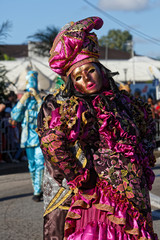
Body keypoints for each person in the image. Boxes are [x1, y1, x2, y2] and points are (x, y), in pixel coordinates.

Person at [37, 17, 158, 239]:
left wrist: (144, 154)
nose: (87, 80)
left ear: (101, 70)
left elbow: (148, 125)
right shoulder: (77, 107)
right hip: (103, 198)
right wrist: (79, 175)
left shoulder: (125, 102)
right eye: (78, 78)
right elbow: (52, 141)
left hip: (136, 193)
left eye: (90, 71)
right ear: (73, 84)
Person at [11, 71, 45, 202]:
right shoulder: (24, 103)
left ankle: (37, 191)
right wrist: (23, 99)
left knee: (39, 164)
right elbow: (15, 117)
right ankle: (35, 188)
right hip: (27, 139)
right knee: (31, 165)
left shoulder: (40, 101)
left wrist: (37, 98)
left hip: (39, 138)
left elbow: (45, 113)